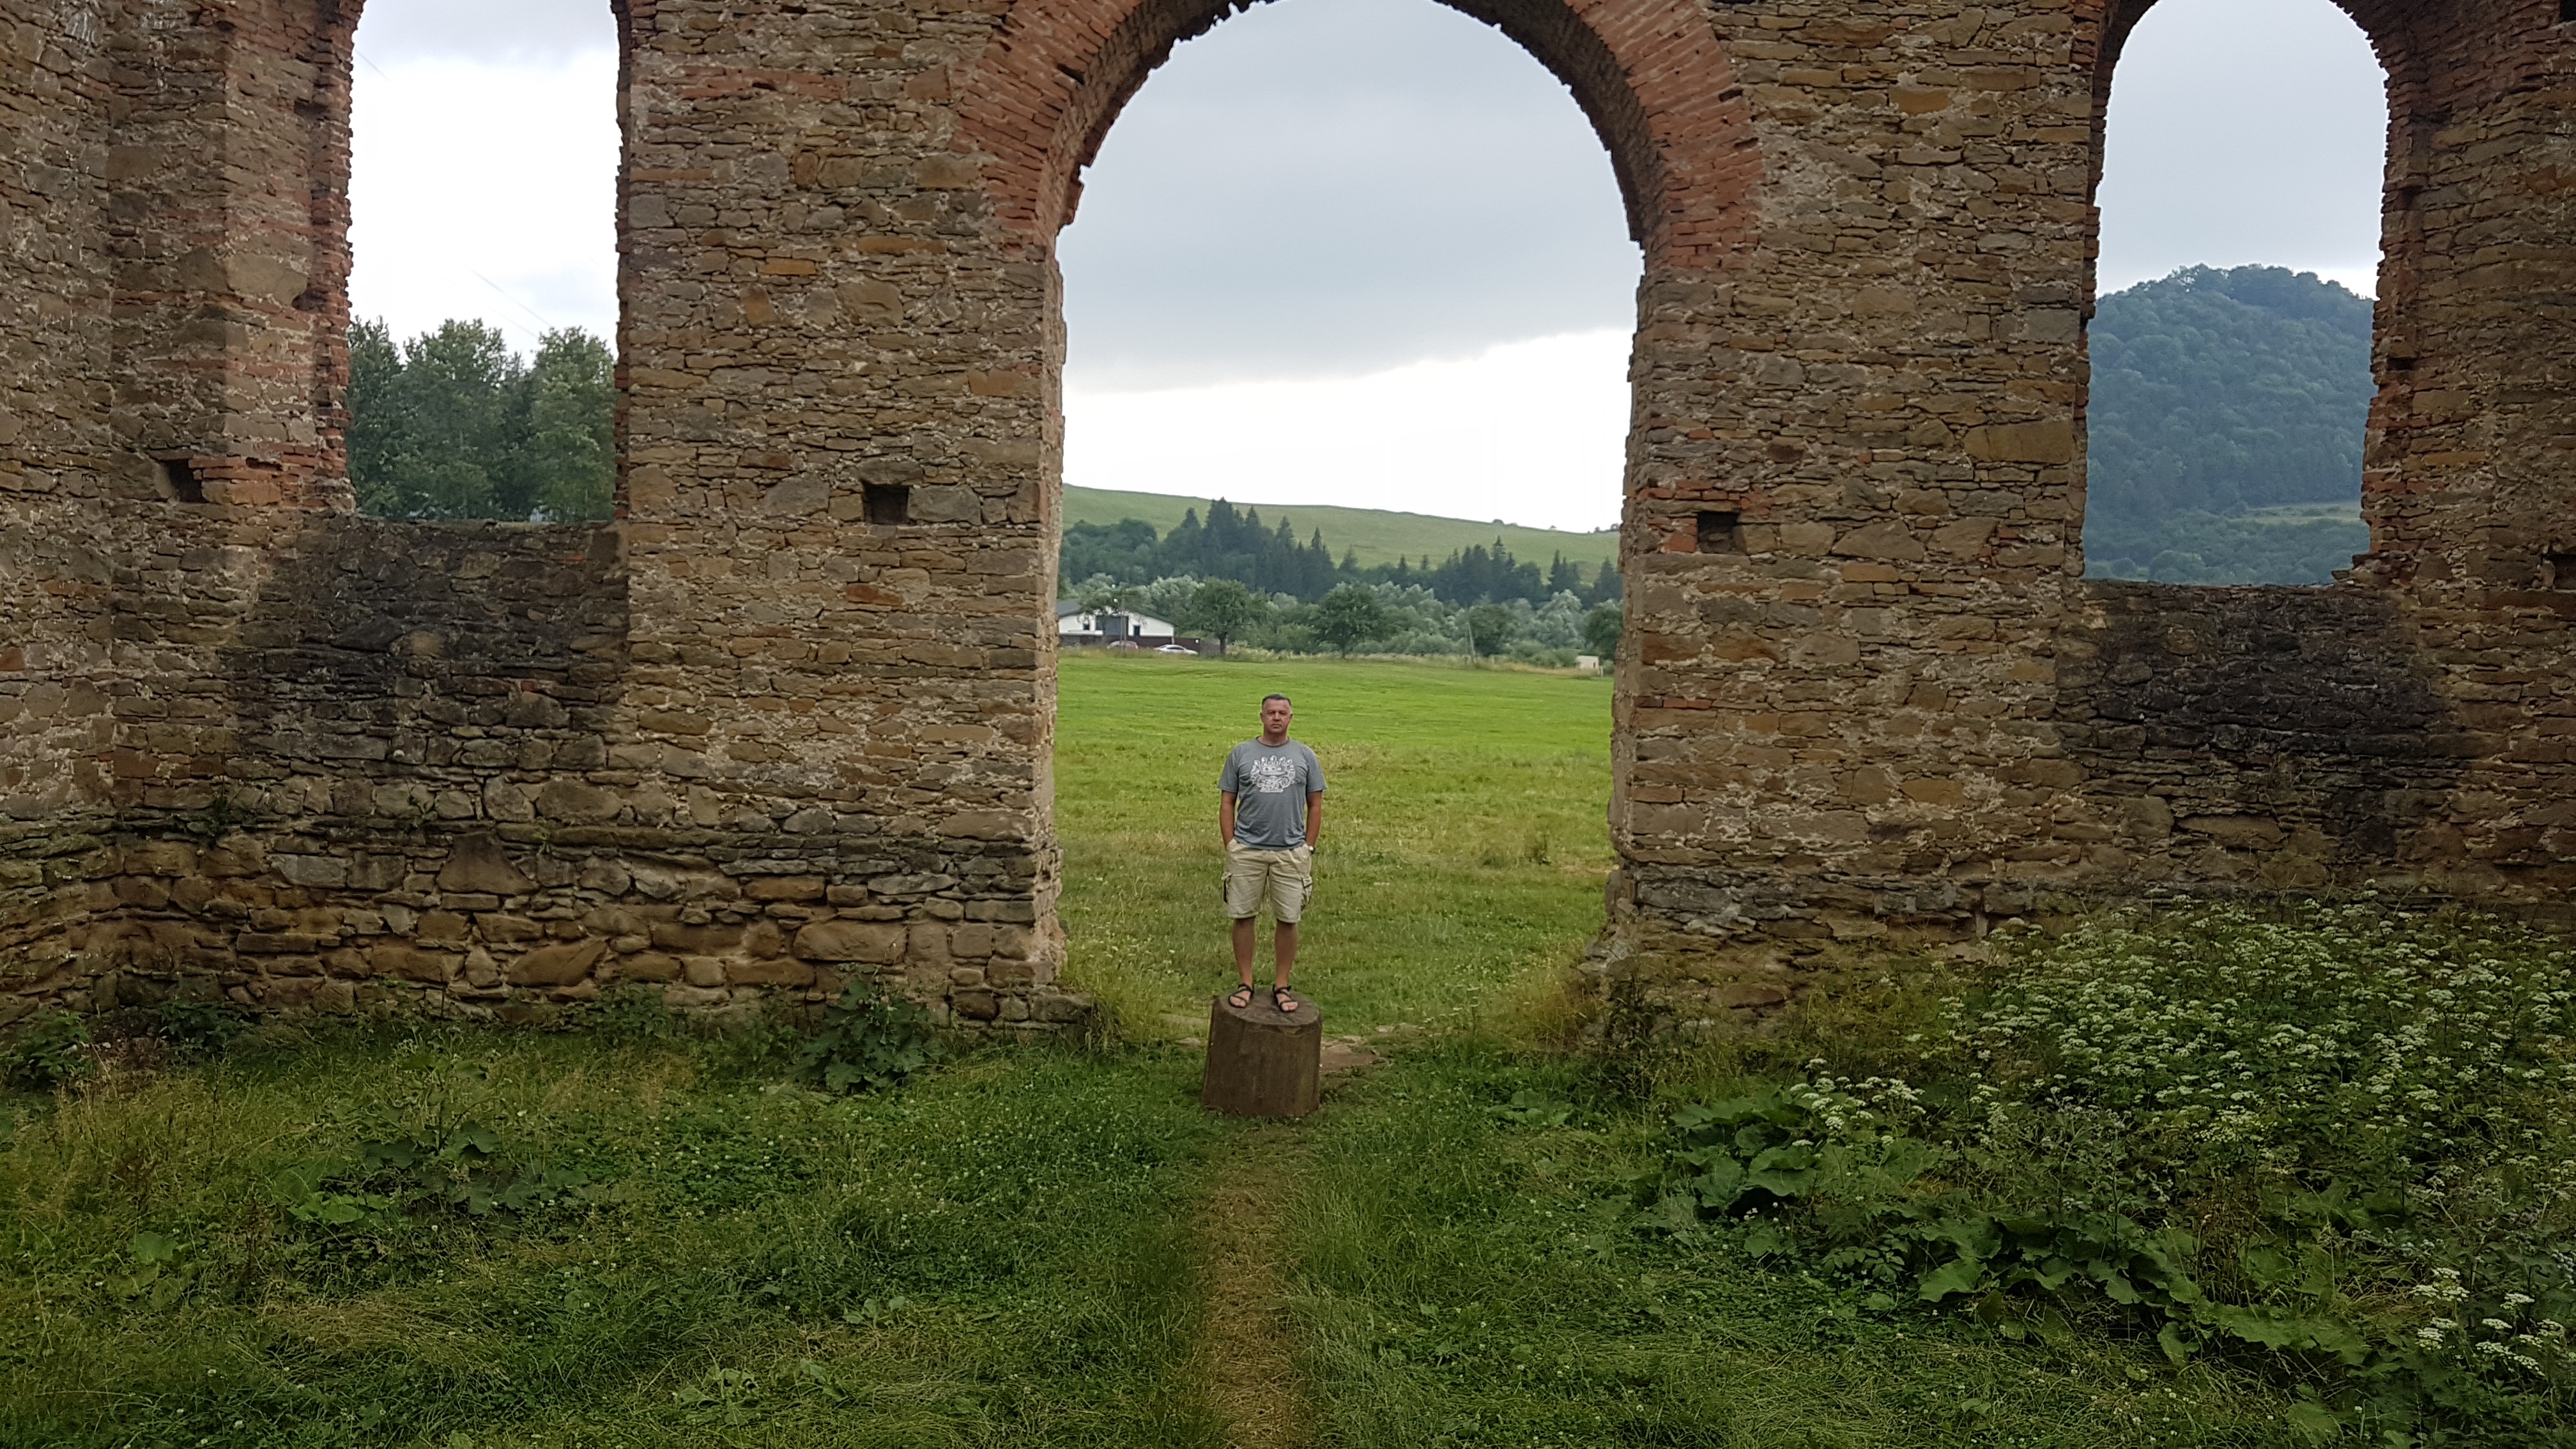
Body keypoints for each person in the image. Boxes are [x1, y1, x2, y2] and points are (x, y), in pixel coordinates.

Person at [1218, 693, 1325, 1015]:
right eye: (1271, 712)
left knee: (1288, 918)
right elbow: (1227, 801)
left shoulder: (1305, 756)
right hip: (1247, 850)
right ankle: (1245, 983)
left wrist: (1308, 846)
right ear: (1262, 717)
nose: (1276, 717)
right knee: (1243, 916)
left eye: (1282, 713)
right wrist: (1231, 844)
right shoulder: (1241, 753)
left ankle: (1282, 985)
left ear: (1291, 718)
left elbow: (1315, 804)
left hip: (1290, 852)